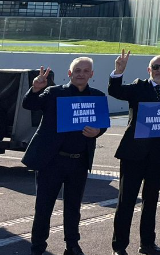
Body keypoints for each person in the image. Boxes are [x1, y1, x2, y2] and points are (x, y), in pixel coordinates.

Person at [109, 51, 160, 255]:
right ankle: (119, 246)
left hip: (158, 155)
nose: (159, 70)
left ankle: (147, 243)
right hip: (133, 154)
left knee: (151, 200)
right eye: (156, 67)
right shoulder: (138, 87)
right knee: (126, 200)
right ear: (149, 70)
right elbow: (115, 90)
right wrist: (118, 71)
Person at [23, 59, 106, 255]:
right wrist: (35, 88)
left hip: (79, 161)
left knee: (73, 207)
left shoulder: (97, 96)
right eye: (77, 70)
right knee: (43, 207)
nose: (81, 74)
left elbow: (101, 124)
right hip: (52, 160)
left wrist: (98, 131)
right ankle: (38, 246)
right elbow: (30, 104)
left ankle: (72, 245)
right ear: (69, 73)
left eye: (86, 71)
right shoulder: (54, 92)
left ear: (91, 75)